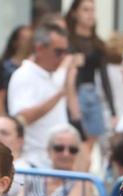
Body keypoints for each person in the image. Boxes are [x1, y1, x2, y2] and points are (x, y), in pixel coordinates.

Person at [8, 22, 77, 168]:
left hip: (57, 162)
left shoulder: (52, 74)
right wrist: (58, 96)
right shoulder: (24, 75)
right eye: (58, 52)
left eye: (66, 51)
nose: (63, 57)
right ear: (39, 48)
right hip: (36, 164)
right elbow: (22, 118)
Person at [66, 0, 117, 155]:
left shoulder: (97, 44)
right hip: (72, 93)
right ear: (75, 13)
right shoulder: (68, 41)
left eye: (92, 10)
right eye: (85, 10)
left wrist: (113, 111)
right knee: (75, 138)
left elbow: (105, 78)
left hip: (91, 92)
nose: (90, 15)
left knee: (92, 140)